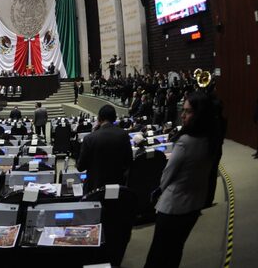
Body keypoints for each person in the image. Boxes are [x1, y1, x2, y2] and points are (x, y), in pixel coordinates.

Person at [144, 92, 221, 268]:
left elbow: (166, 176)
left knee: (157, 255)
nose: (182, 114)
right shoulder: (211, 139)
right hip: (194, 204)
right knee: (175, 250)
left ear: (199, 113)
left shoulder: (185, 142)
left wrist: (158, 191)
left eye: (188, 111)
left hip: (173, 206)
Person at [76, 104, 133, 194]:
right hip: (117, 188)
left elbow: (80, 167)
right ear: (114, 118)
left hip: (95, 189)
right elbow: (129, 162)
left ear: (99, 118)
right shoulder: (124, 135)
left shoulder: (89, 138)